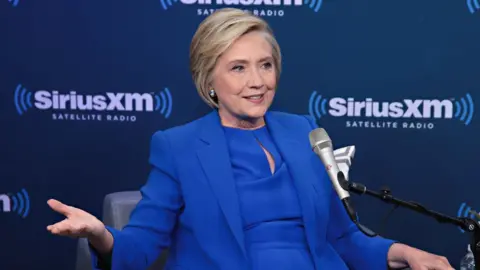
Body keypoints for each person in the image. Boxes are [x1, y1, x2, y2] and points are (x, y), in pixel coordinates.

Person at [47, 8, 454, 270]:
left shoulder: (303, 132)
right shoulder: (179, 147)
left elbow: (342, 237)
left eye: (265, 65)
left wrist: (404, 253)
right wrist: (101, 235)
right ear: (209, 80)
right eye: (238, 68)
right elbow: (143, 245)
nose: (257, 82)